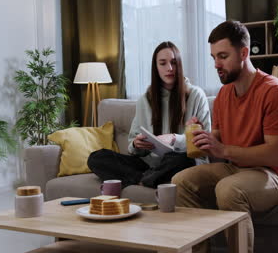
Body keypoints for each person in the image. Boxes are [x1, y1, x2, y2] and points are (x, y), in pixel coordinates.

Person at [171, 21, 278, 253]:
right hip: (237, 168)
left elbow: (275, 154)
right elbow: (218, 142)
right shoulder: (224, 94)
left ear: (244, 53)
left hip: (274, 174)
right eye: (213, 58)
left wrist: (224, 150)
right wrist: (203, 137)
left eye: (222, 56)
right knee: (180, 181)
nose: (216, 64)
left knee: (228, 190)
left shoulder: (273, 92)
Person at [88, 41, 211, 189]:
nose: (169, 68)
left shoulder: (196, 95)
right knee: (97, 158)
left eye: (173, 62)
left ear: (179, 65)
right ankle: (146, 179)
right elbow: (133, 144)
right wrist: (136, 144)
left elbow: (205, 141)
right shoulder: (145, 100)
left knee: (183, 160)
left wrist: (174, 139)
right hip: (149, 166)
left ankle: (143, 179)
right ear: (156, 68)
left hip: (180, 162)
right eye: (163, 63)